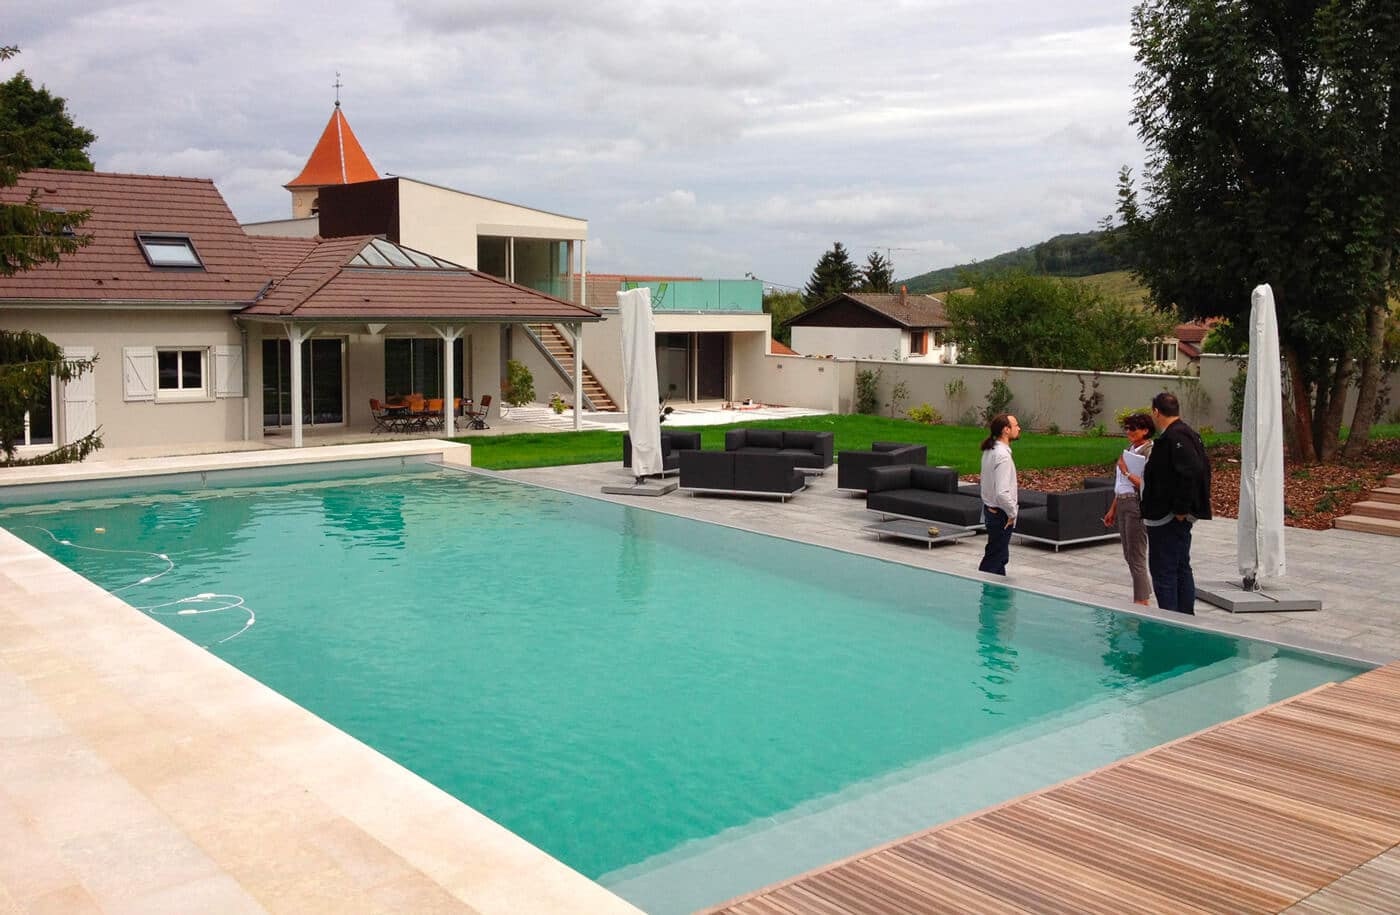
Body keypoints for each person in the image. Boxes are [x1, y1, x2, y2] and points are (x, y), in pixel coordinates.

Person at [1140, 392, 1212, 614]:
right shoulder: (1187, 434)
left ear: (1156, 412)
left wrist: (1181, 509)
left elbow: (1192, 471)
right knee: (1180, 567)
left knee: (1165, 570)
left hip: (1167, 518)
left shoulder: (1176, 437)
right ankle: (1183, 617)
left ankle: (1170, 620)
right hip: (1171, 516)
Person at [1102, 412, 1155, 605]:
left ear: (1145, 430)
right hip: (1123, 502)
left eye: (1133, 428)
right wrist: (1113, 509)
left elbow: (1146, 484)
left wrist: (1126, 471)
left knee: (1136, 555)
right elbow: (1121, 484)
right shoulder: (1129, 449)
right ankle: (1144, 592)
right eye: (1127, 428)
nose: (1129, 431)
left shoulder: (1149, 452)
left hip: (1135, 504)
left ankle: (1141, 599)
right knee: (1128, 553)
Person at [978, 413, 1020, 575]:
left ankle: (995, 588)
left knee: (998, 555)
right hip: (1001, 515)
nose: (1019, 428)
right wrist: (1012, 513)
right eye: (1015, 425)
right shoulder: (1002, 456)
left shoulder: (990, 450)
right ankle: (986, 588)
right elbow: (1002, 492)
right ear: (1006, 430)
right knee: (995, 558)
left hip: (991, 511)